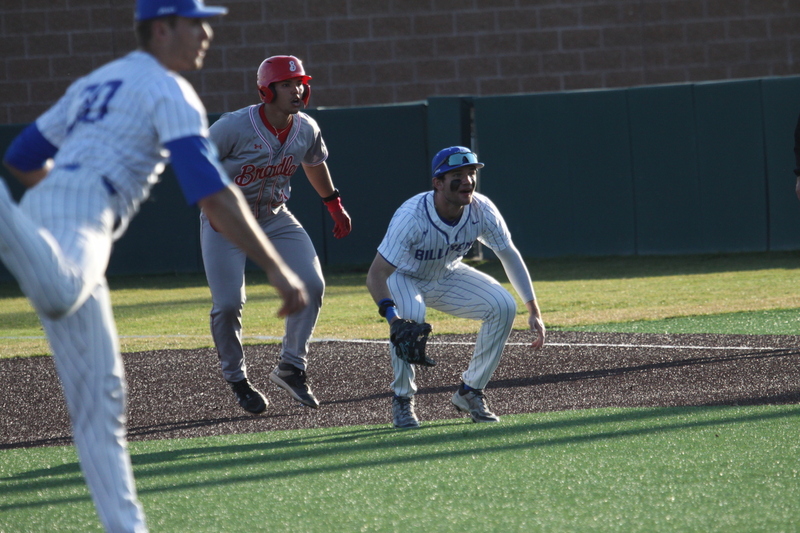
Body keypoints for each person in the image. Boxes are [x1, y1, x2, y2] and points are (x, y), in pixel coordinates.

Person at [0, 1, 307, 531]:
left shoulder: (100, 78)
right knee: (58, 291)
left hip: (53, 205)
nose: (207, 33)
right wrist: (277, 269)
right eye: (196, 23)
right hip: (82, 214)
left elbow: (24, 158)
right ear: (162, 28)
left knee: (103, 397)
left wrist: (55, 198)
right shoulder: (170, 91)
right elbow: (214, 195)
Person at [201, 55, 351, 413]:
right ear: (266, 91)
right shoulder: (232, 126)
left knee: (312, 285)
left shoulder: (306, 128)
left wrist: (334, 205)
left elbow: (314, 163)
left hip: (274, 216)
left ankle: (291, 366)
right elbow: (197, 166)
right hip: (227, 222)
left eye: (299, 82)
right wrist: (212, 208)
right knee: (227, 305)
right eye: (286, 84)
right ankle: (237, 380)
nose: (296, 89)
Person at [366, 146, 546, 429]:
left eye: (472, 173)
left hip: (447, 274)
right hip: (405, 277)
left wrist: (533, 308)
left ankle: (470, 391)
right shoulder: (412, 216)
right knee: (409, 318)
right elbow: (376, 274)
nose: (467, 180)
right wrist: (393, 318)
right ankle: (402, 399)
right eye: (457, 175)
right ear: (437, 183)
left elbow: (508, 253)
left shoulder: (481, 210)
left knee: (503, 305)